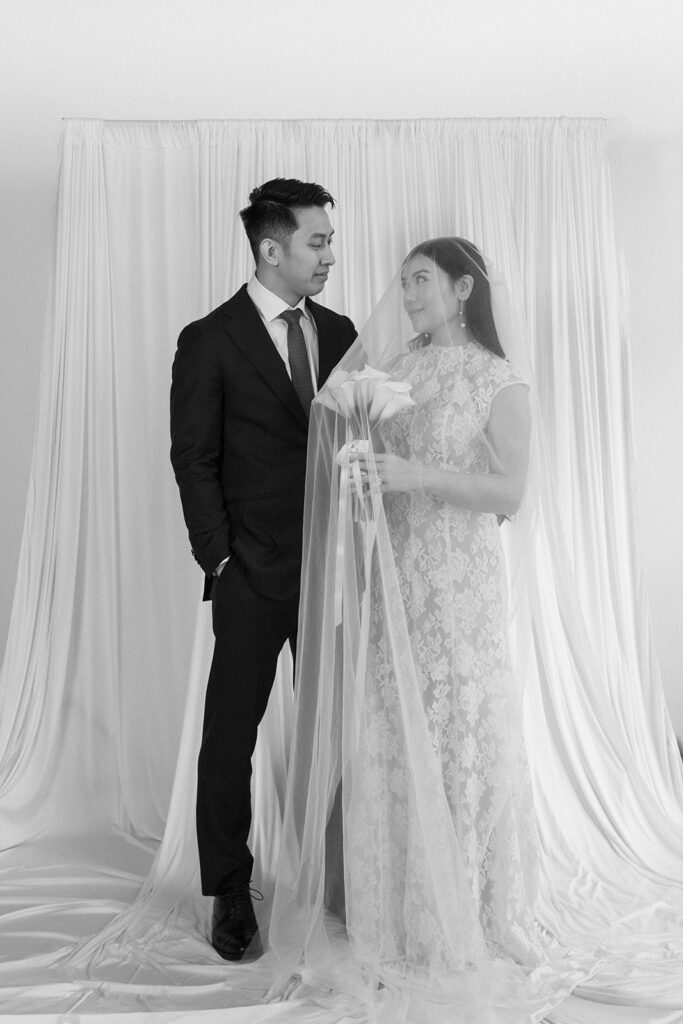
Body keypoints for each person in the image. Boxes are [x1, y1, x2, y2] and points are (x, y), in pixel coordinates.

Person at [268, 237, 570, 1021]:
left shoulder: (498, 381)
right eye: (401, 282)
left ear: (463, 288)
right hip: (393, 580)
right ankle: (392, 908)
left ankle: (461, 907)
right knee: (395, 735)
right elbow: (370, 466)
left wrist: (418, 477)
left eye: (421, 280)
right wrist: (361, 474)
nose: (405, 294)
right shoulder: (393, 371)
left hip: (458, 587)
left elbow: (509, 493)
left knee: (452, 731)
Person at [169, 178, 356, 963]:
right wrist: (220, 556)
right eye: (317, 242)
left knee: (342, 735)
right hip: (250, 574)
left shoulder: (343, 331)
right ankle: (227, 892)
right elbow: (193, 458)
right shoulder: (209, 339)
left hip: (334, 573)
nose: (329, 256)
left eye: (329, 241)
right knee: (228, 740)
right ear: (270, 249)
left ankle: (345, 879)